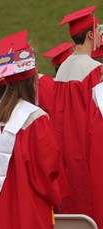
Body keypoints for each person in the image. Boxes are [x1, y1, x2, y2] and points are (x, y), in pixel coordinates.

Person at [0, 31, 61, 229]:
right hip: (27, 210)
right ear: (32, 80)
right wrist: (57, 197)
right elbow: (47, 171)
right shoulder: (35, 119)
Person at [53, 5, 102, 215]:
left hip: (64, 153)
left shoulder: (63, 68)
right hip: (86, 150)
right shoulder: (94, 70)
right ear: (91, 34)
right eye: (99, 31)